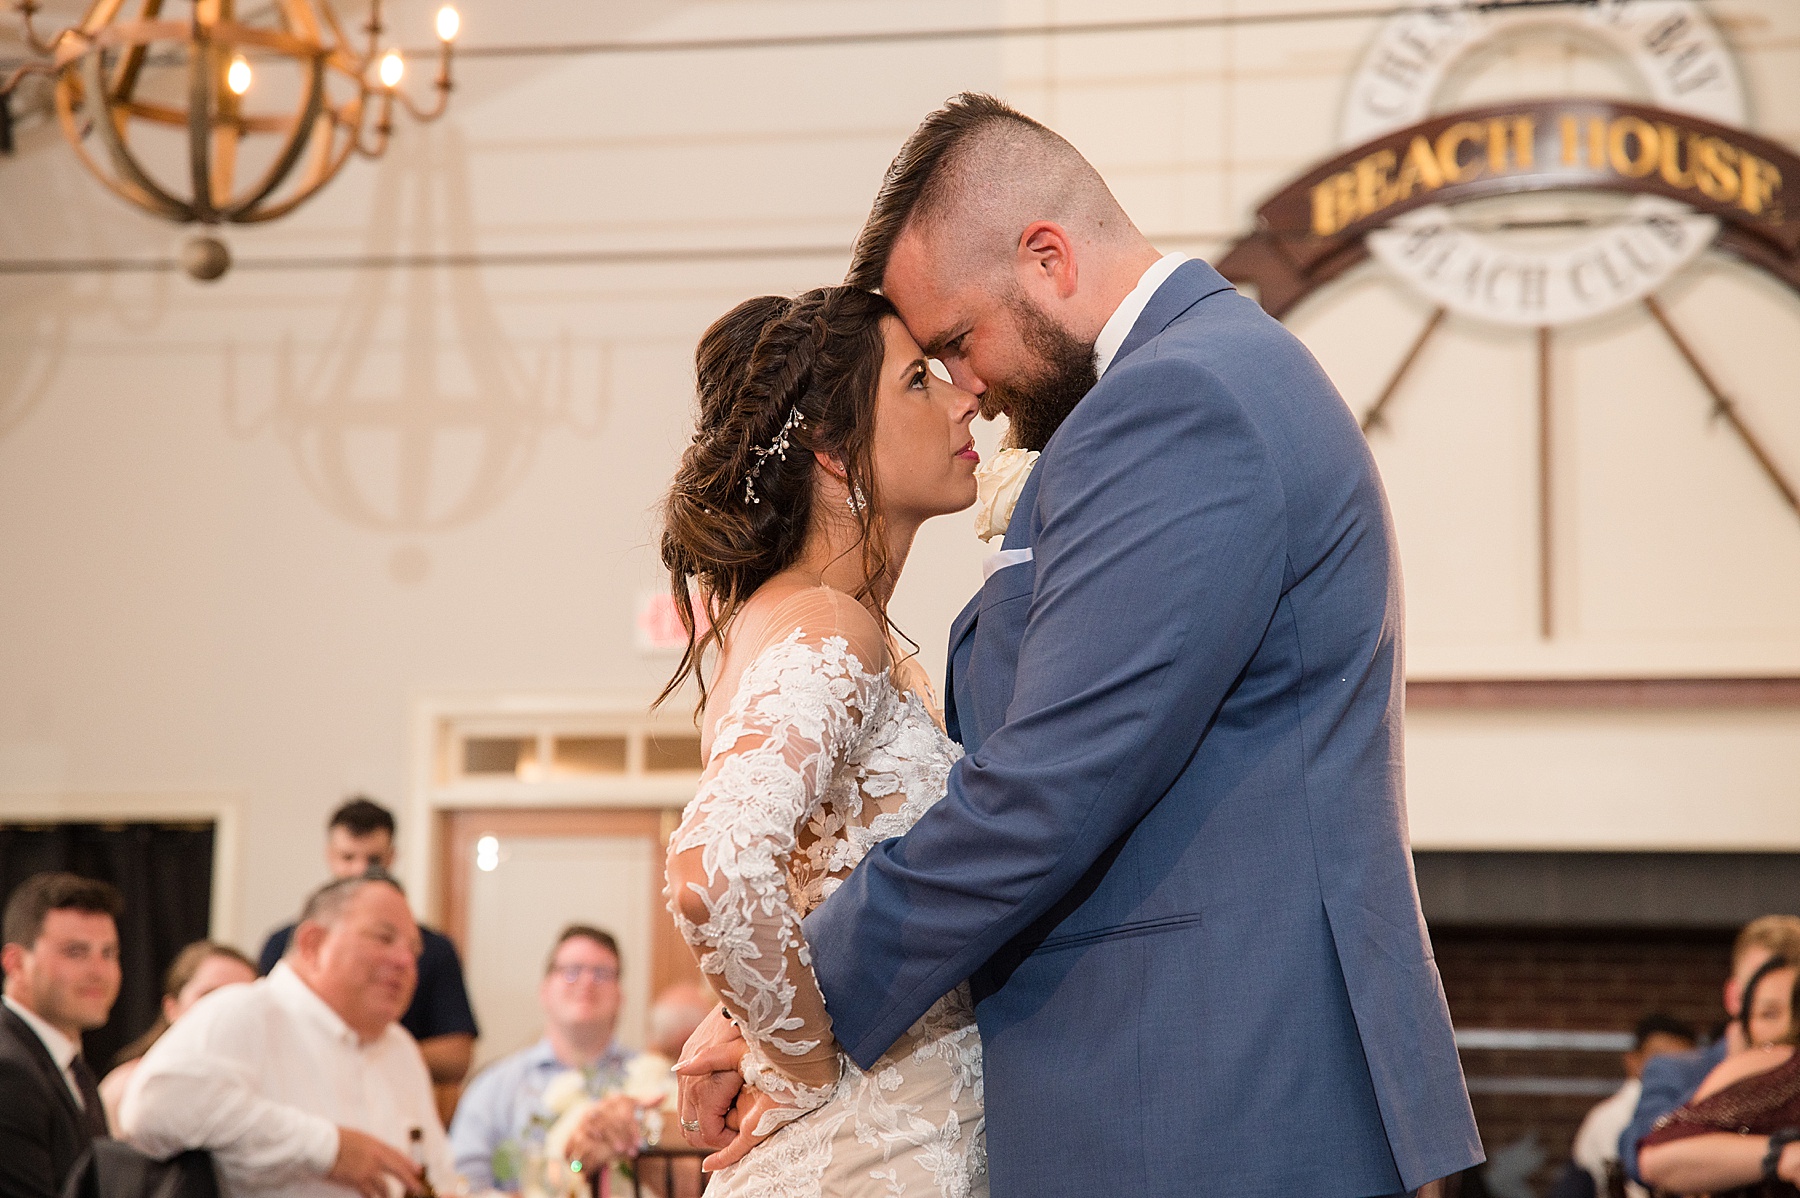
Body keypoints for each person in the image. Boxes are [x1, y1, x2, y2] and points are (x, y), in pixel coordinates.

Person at [677, 92, 1482, 1197]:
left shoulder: (1178, 399)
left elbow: (1050, 783)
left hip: (1203, 1082)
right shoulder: (1210, 376)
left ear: (1047, 257)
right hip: (1186, 1073)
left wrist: (795, 998)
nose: (970, 385)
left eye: (957, 341)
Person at [657, 284, 987, 1195]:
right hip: (871, 1155)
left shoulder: (779, 623)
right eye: (920, 380)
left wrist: (754, 1022)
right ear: (834, 453)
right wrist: (799, 1069)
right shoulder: (829, 625)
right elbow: (714, 870)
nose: (967, 396)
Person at [121, 874, 450, 1198]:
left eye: (414, 950)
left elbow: (439, 1175)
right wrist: (325, 1148)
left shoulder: (400, 1048)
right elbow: (155, 1105)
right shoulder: (246, 1010)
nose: (406, 961)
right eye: (383, 938)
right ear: (313, 943)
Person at [258, 796, 479, 1111]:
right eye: (348, 857)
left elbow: (457, 1054)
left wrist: (376, 1051)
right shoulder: (281, 943)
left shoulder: (435, 949)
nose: (360, 870)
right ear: (311, 944)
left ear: (391, 858)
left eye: (372, 859)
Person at [449, 925, 663, 1192]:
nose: (586, 982)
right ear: (545, 990)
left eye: (601, 974)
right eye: (572, 971)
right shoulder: (494, 1086)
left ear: (620, 996)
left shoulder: (654, 1081)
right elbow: (461, 1183)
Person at [1618, 914, 1800, 1186]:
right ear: (1735, 996)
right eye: (1767, 1005)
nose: (1784, 1024)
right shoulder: (1679, 1069)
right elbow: (1638, 1152)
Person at [0, 872, 122, 1198]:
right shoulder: (8, 1068)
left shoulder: (71, 1065)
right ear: (15, 963)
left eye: (108, 953)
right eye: (75, 952)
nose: (99, 972)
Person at [97, 940, 257, 1132]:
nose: (221, 1011)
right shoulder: (128, 1087)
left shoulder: (262, 1091)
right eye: (208, 996)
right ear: (172, 1008)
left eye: (239, 1000)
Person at [1565, 1013, 1696, 1198]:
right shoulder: (1612, 1116)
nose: (1669, 1070)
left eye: (1680, 1061)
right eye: (1659, 1060)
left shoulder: (1691, 1104)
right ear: (1633, 1061)